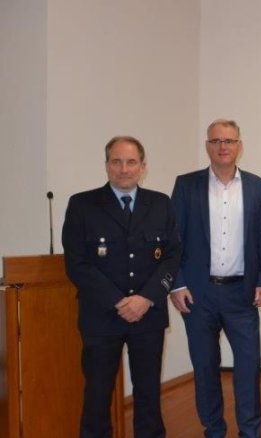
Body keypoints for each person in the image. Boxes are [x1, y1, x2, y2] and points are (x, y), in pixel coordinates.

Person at [63, 136, 181, 438]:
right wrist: (119, 301)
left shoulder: (160, 203)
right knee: (97, 395)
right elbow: (78, 264)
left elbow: (171, 257)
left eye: (131, 162)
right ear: (106, 165)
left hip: (148, 315)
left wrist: (146, 298)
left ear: (143, 166)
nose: (123, 169)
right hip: (101, 318)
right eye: (116, 161)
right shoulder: (82, 205)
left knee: (148, 393)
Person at [169, 119, 261, 438]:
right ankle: (213, 430)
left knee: (248, 367)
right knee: (204, 369)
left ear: (239, 145)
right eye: (216, 141)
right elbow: (174, 239)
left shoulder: (258, 186)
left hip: (241, 295)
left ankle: (250, 432)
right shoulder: (186, 185)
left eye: (229, 141)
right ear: (207, 146)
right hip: (198, 296)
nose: (223, 147)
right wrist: (177, 283)